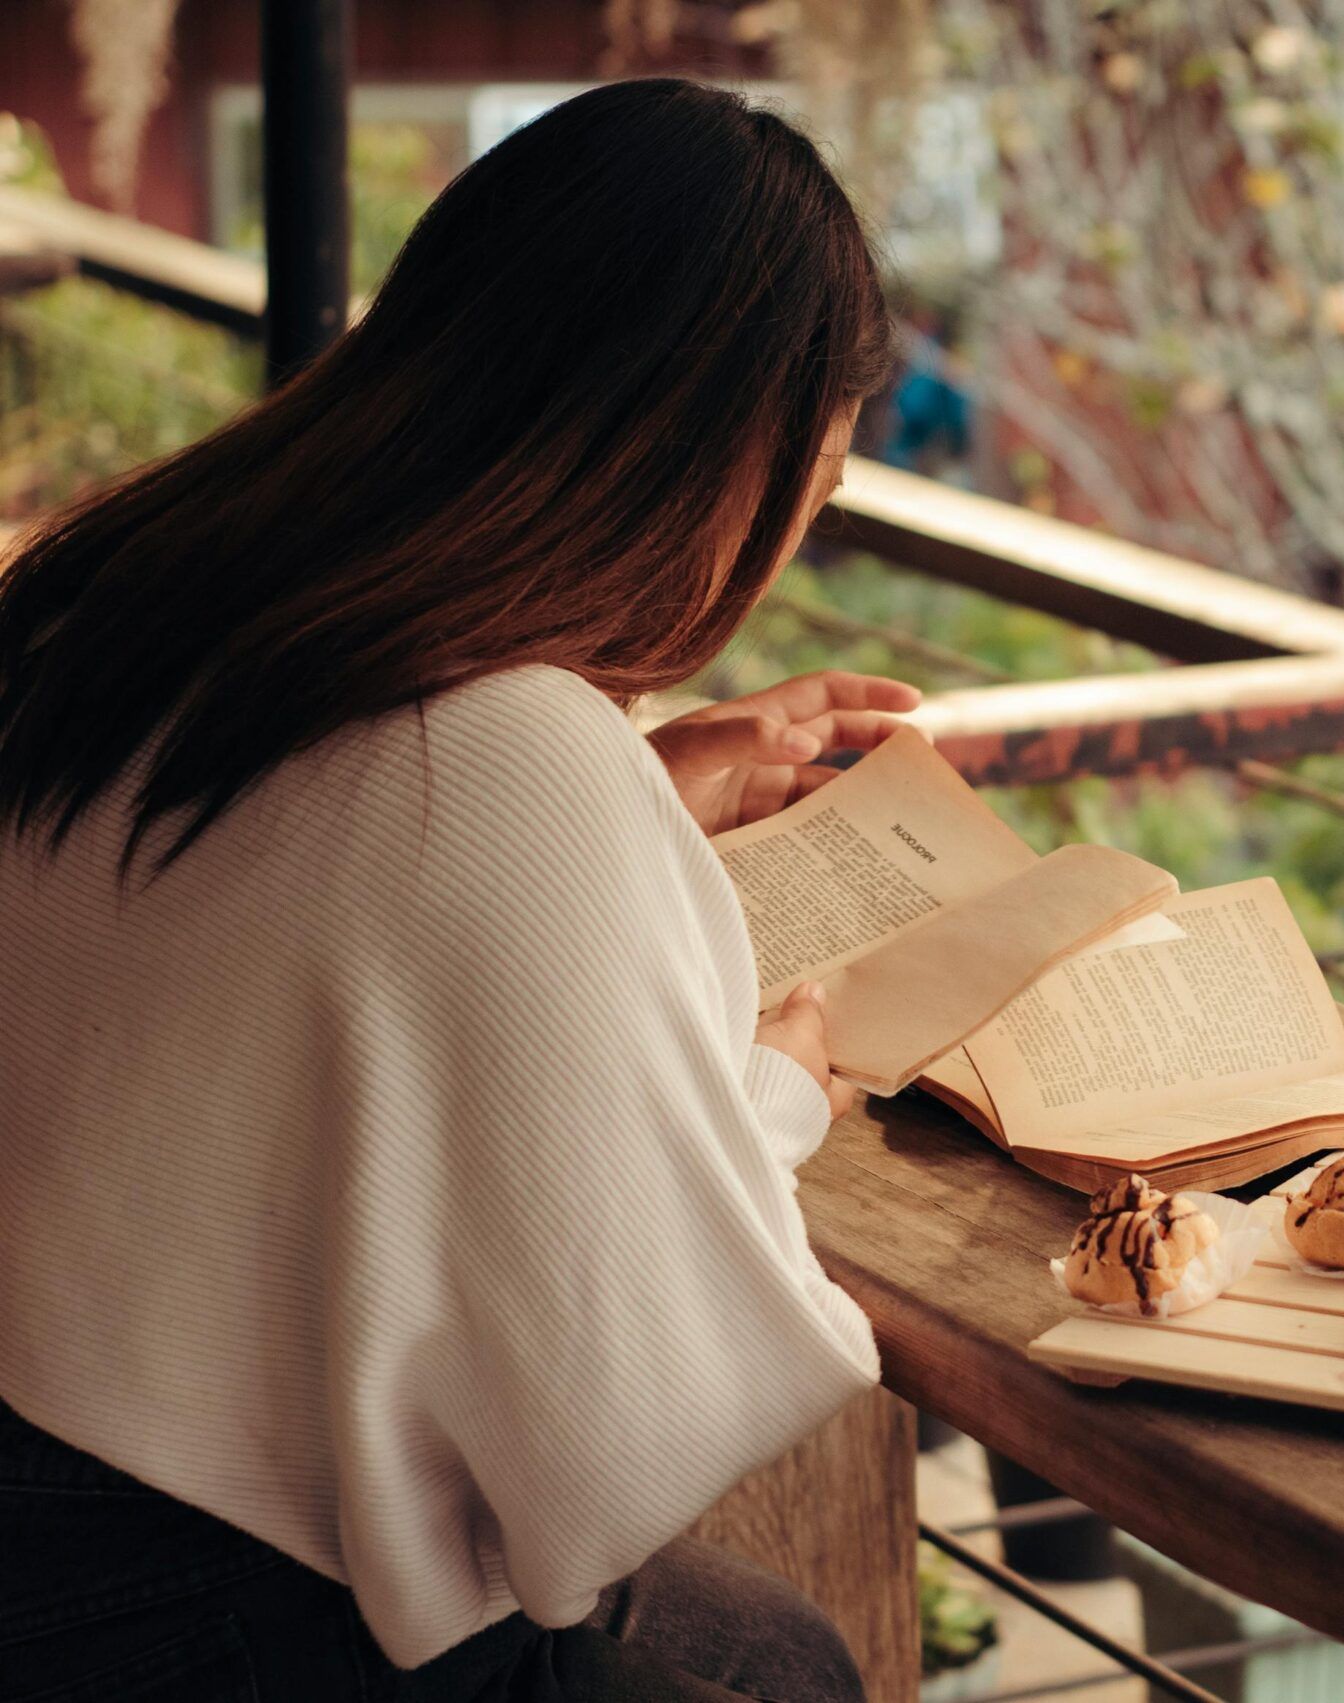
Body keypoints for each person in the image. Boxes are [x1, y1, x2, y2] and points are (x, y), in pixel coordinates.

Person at [0, 79, 921, 1701]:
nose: (790, 541)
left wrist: (634, 786)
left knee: (777, 1646)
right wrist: (775, 1096)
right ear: (729, 454)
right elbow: (621, 1428)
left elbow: (293, 928)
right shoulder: (498, 763)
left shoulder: (129, 590)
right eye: (817, 488)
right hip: (193, 1605)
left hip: (46, 1472)